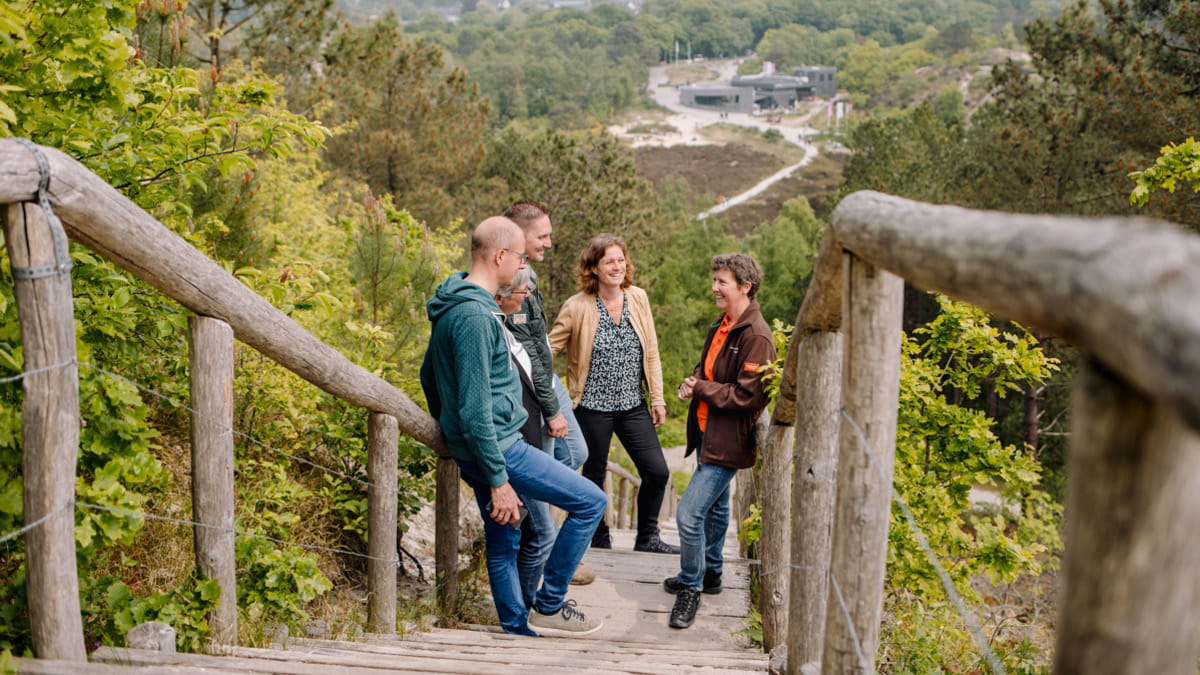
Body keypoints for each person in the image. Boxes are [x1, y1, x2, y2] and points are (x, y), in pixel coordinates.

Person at [420, 216, 606, 638]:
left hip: (483, 448)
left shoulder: (457, 304)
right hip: (501, 448)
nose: (523, 264)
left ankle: (515, 629)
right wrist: (497, 476)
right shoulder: (474, 317)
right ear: (500, 256)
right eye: (520, 256)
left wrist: (453, 435)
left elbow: (428, 376)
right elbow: (474, 409)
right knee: (590, 502)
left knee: (506, 537)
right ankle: (550, 602)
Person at [664, 253, 776, 630]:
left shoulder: (757, 336)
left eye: (721, 283)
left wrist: (703, 388)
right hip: (707, 433)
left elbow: (749, 396)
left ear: (745, 287)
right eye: (714, 280)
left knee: (688, 515)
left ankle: (691, 587)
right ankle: (710, 572)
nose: (714, 288)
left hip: (728, 442)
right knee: (713, 509)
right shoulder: (722, 324)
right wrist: (693, 383)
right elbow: (705, 369)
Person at [549, 233, 678, 554]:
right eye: (609, 261)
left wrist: (658, 397)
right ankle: (597, 534)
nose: (617, 266)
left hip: (632, 405)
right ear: (593, 268)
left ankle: (647, 536)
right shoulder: (577, 306)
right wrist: (541, 390)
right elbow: (548, 350)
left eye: (621, 260)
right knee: (593, 475)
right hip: (592, 407)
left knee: (657, 471)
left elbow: (651, 352)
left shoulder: (638, 298)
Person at [501, 200, 596, 587]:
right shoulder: (513, 280)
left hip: (547, 378)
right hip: (536, 388)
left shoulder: (529, 274)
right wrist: (551, 406)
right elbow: (526, 355)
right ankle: (545, 550)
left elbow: (537, 345)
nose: (550, 242)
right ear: (520, 237)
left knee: (576, 453)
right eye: (544, 236)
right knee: (548, 479)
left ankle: (543, 534)